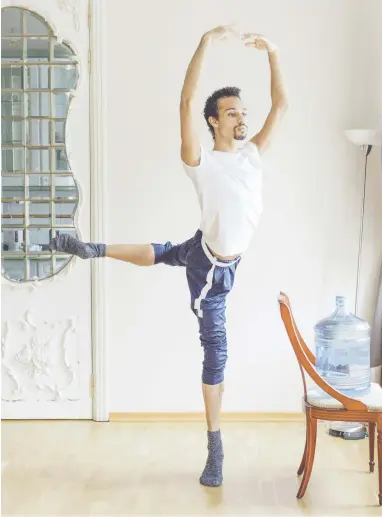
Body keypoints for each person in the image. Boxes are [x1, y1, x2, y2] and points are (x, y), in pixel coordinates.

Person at [50, 25, 287, 487]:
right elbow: (184, 102)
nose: (241, 118)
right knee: (216, 355)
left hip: (216, 254)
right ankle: (215, 447)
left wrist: (272, 53)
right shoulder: (201, 161)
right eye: (231, 112)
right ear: (214, 121)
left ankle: (92, 248)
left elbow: (282, 105)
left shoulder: (252, 156)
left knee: (168, 252)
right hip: (212, 274)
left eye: (243, 111)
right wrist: (205, 43)